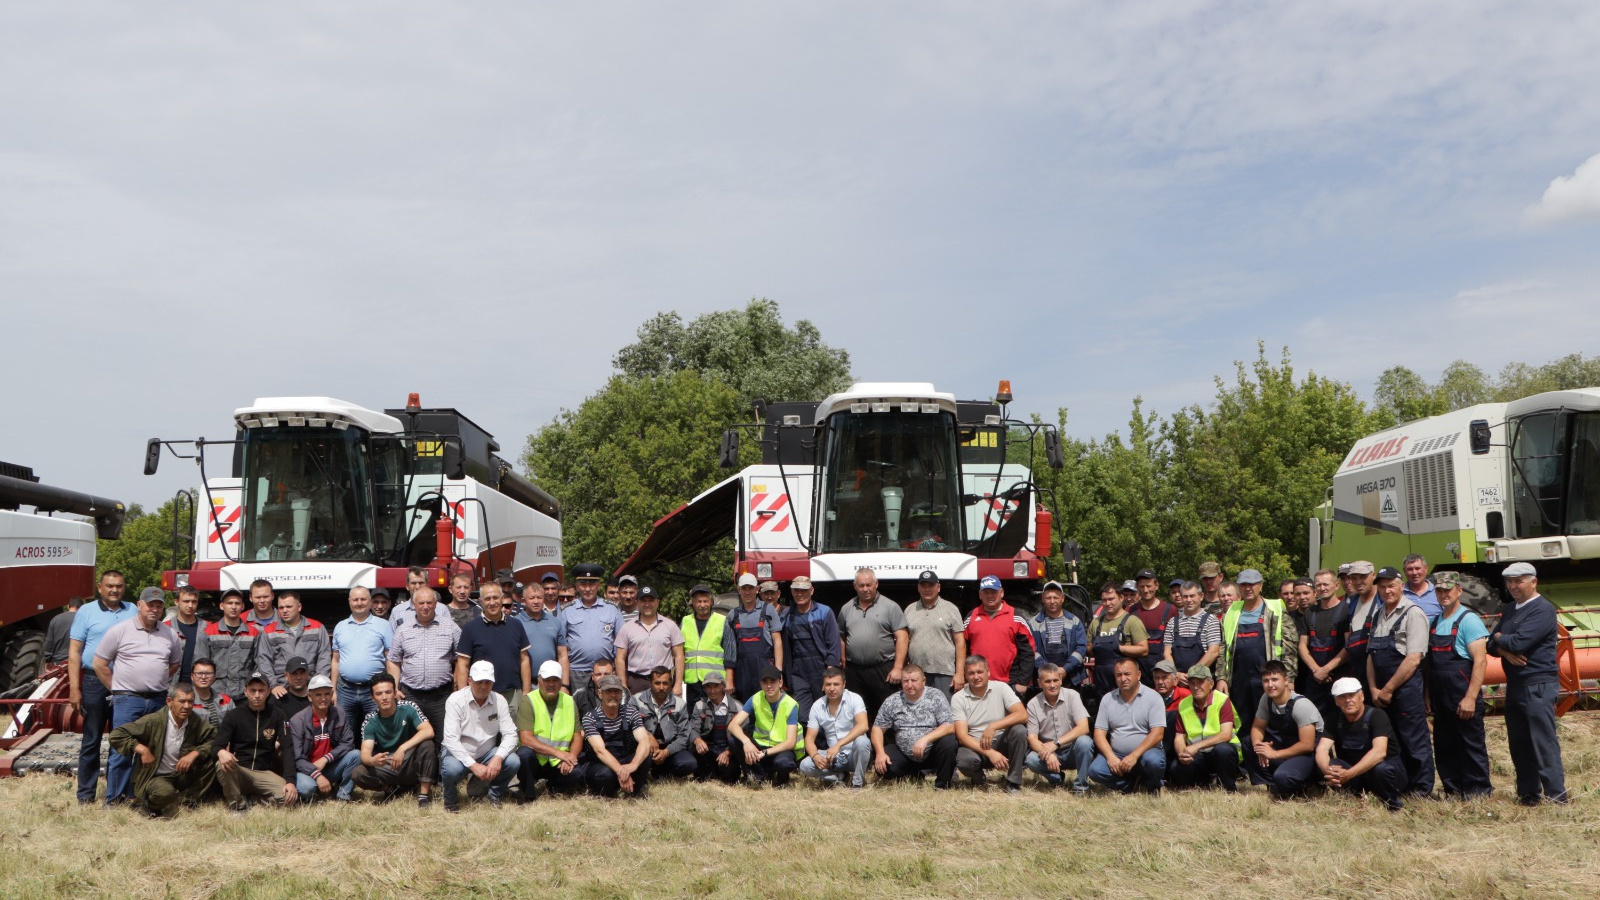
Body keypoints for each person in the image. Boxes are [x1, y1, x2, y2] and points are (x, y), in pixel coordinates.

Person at [1487, 562, 1567, 805]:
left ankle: (1556, 796)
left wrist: (1501, 639)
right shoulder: (1511, 609)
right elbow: (1490, 644)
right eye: (1509, 581)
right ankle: (1528, 794)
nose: (1513, 586)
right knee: (1519, 742)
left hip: (1538, 683)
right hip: (1516, 684)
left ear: (1534, 582)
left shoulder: (1542, 609)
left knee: (1543, 741)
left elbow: (1519, 643)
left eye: (1519, 581)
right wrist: (1502, 647)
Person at [93, 587, 182, 804]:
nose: (154, 609)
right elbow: (100, 663)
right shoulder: (120, 630)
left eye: (159, 605)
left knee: (150, 751)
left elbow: (174, 664)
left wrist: (155, 679)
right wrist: (117, 688)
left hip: (157, 699)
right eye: (150, 604)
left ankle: (137, 797)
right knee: (122, 749)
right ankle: (114, 800)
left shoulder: (169, 634)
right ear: (139, 605)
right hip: (128, 699)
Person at [1217, 572, 1296, 781]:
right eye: (1243, 585)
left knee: (1270, 725)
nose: (1248, 588)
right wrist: (1221, 677)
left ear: (1261, 585)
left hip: (1270, 679)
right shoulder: (1231, 611)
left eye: (1252, 584)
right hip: (1239, 679)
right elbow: (1222, 648)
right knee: (1242, 725)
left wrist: (1289, 678)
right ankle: (1247, 772)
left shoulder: (1275, 608)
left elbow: (1289, 646)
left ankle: (1272, 771)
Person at [1367, 566, 1434, 797]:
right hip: (1383, 693)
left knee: (1414, 740)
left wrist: (1387, 689)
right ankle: (1403, 785)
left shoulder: (1413, 613)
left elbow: (1414, 659)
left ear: (1401, 586)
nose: (1387, 590)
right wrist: (1374, 688)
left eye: (1391, 585)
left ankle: (1422, 789)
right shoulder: (1378, 615)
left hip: (1405, 691)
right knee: (1394, 741)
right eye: (1382, 586)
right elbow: (1370, 656)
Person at [70, 570, 135, 804]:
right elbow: (74, 652)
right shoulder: (86, 612)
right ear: (100, 587)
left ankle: (118, 793)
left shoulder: (133, 610)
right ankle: (86, 796)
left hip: (126, 682)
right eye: (109, 586)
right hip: (93, 682)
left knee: (123, 739)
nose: (114, 590)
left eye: (118, 585)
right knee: (92, 739)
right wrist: (74, 688)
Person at [1426, 571, 1492, 799]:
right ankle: (1453, 790)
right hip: (1441, 697)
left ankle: (1478, 793)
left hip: (1462, 695)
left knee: (1470, 746)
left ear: (1459, 591)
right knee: (1445, 746)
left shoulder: (1469, 620)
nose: (1444, 594)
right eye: (1440, 590)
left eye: (1448, 590)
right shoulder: (1435, 621)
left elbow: (1481, 661)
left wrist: (1470, 698)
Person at [107, 681, 217, 817]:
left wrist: (194, 753)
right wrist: (142, 749)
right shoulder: (153, 721)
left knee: (215, 758)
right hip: (157, 776)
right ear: (169, 701)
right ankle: (148, 805)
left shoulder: (195, 721)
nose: (187, 706)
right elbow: (116, 735)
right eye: (182, 701)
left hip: (182, 773)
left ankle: (188, 803)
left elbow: (214, 738)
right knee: (164, 793)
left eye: (190, 702)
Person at [440, 661, 521, 811]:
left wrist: (498, 758)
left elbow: (511, 734)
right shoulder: (455, 700)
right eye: (479, 682)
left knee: (513, 761)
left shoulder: (500, 700)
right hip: (458, 754)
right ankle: (450, 801)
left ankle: (493, 795)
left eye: (488, 682)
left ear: (493, 682)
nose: (483, 686)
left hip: (486, 753)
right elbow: (450, 739)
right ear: (470, 681)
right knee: (451, 768)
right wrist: (473, 765)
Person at [1316, 677, 1405, 811]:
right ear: (1336, 701)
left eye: (1352, 695)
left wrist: (1349, 774)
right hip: (1355, 773)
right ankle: (1351, 798)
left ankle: (1392, 804)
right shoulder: (1333, 719)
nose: (1348, 700)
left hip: (1386, 772)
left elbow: (1379, 752)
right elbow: (1322, 750)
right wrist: (1327, 771)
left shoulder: (1378, 716)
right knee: (1330, 763)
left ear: (1362, 696)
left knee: (1381, 769)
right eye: (1342, 697)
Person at [213, 673, 298, 811]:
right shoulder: (233, 715)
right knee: (221, 764)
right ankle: (238, 806)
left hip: (264, 772)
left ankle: (254, 799)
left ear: (268, 691)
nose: (257, 695)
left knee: (288, 799)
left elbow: (288, 747)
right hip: (239, 770)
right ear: (245, 691)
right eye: (253, 690)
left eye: (261, 690)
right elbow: (216, 745)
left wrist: (290, 781)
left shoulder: (278, 714)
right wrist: (220, 751)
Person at [387, 585, 461, 743]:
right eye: (421, 603)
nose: (425, 606)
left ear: (436, 604)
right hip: (411, 695)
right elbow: (393, 661)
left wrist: (458, 686)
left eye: (429, 602)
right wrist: (394, 687)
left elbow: (460, 659)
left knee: (445, 740)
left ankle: (442, 768)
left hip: (441, 697)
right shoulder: (403, 630)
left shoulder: (451, 628)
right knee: (411, 740)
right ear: (414, 605)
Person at [350, 673, 437, 806]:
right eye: (379, 694)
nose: (384, 697)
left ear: (395, 693)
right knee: (358, 773)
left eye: (388, 692)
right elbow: (365, 754)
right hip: (388, 765)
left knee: (427, 745)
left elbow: (428, 731)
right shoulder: (370, 720)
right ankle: (391, 790)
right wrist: (372, 760)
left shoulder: (409, 707)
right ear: (372, 698)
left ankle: (423, 796)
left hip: (409, 760)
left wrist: (402, 748)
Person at [870, 664, 958, 789]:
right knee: (884, 768)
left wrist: (925, 739)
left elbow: (949, 726)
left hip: (931, 752)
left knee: (949, 743)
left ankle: (942, 785)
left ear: (923, 681)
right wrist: (879, 753)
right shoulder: (892, 700)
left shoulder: (936, 696)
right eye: (906, 681)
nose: (909, 685)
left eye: (914, 681)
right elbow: (877, 728)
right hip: (904, 754)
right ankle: (913, 774)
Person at [951, 655, 1029, 792]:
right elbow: (962, 736)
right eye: (971, 673)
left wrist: (993, 726)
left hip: (1001, 741)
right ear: (966, 676)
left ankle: (1013, 782)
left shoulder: (1001, 687)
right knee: (963, 760)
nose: (976, 677)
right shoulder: (958, 698)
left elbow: (1022, 715)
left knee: (1019, 730)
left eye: (979, 672)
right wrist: (991, 753)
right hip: (976, 746)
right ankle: (977, 776)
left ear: (988, 672)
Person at [840, 568, 908, 721]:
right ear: (855, 586)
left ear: (876, 584)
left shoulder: (890, 606)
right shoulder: (846, 608)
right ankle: (864, 744)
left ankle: (887, 744)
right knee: (859, 713)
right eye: (861, 585)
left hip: (883, 670)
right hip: (855, 671)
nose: (865, 589)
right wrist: (843, 657)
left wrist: (898, 668)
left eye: (869, 585)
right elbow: (841, 636)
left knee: (887, 712)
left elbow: (902, 637)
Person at [1089, 658, 1165, 794]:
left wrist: (1135, 755)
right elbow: (1099, 734)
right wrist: (1110, 756)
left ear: (1138, 675)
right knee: (1095, 771)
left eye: (1127, 674)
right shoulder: (1108, 699)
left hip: (1145, 754)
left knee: (1153, 761)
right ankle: (1130, 786)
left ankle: (1152, 785)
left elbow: (1158, 733)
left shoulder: (1154, 697)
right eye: (1119, 675)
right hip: (1117, 754)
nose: (1123, 678)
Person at [1249, 660, 1322, 798]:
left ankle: (1310, 784)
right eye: (1266, 681)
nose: (1270, 685)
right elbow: (1258, 726)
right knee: (1249, 743)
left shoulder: (1301, 705)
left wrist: (1274, 754)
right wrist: (1259, 745)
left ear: (1286, 680)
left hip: (1309, 754)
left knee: (1284, 777)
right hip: (1287, 747)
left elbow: (1307, 745)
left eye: (1275, 679)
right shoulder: (1266, 699)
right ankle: (1271, 785)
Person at [515, 660, 585, 799]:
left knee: (577, 774)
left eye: (555, 680)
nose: (551, 684)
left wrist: (570, 757)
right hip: (536, 759)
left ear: (561, 682)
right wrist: (558, 753)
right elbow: (526, 738)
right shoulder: (528, 701)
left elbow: (577, 737)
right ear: (539, 680)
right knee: (523, 754)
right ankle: (528, 794)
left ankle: (554, 788)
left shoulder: (570, 701)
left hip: (558, 762)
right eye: (547, 680)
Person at [1023, 663, 1095, 791]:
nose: (1052, 685)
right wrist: (1048, 754)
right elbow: (1032, 738)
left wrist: (1057, 743)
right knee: (1031, 759)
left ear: (1061, 680)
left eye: (1056, 680)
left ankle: (1081, 786)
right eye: (1047, 681)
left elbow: (1084, 727)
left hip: (1072, 751)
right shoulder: (1033, 704)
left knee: (1085, 742)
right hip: (1050, 753)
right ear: (1039, 683)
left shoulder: (1072, 696)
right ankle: (1057, 778)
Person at [287, 674, 360, 802]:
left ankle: (343, 795)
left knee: (356, 755)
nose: (323, 698)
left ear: (332, 695)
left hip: (330, 765)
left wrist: (326, 758)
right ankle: (315, 792)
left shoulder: (339, 713)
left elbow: (348, 743)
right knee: (306, 788)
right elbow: (297, 758)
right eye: (318, 695)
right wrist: (317, 775)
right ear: (310, 697)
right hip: (307, 770)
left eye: (327, 694)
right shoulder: (297, 720)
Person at [455, 581, 530, 704]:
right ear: (481, 601)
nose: (492, 602)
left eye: (495, 597)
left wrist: (526, 691)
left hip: (512, 695)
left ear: (502, 599)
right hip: (481, 695)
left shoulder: (516, 625)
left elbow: (524, 659)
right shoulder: (470, 629)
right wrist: (463, 696)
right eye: (487, 599)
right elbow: (462, 664)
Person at [1169, 665, 1240, 792]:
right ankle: (1204, 783)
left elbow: (1226, 734)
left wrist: (1196, 746)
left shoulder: (1222, 700)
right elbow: (1179, 737)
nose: (1196, 687)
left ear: (1211, 683)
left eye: (1200, 682)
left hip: (1220, 751)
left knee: (1223, 751)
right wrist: (1182, 754)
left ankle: (1229, 787)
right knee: (1176, 768)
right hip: (1199, 756)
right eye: (1192, 683)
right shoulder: (1183, 704)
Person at [580, 673, 653, 798]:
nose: (613, 695)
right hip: (601, 763)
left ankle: (634, 790)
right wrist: (621, 771)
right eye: (608, 691)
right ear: (600, 693)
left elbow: (644, 741)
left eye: (616, 691)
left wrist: (633, 765)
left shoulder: (631, 712)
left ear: (621, 694)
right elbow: (600, 751)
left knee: (645, 755)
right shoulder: (590, 718)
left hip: (625, 760)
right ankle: (612, 789)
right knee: (605, 775)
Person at [963, 576, 1036, 698]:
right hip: (977, 683)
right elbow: (962, 650)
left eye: (993, 592)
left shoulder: (1016, 617)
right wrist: (964, 678)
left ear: (1001, 593)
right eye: (986, 592)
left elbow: (1028, 652)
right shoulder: (971, 617)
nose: (990, 596)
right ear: (980, 595)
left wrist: (1022, 682)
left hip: (1008, 684)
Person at [798, 666, 871, 789]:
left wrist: (838, 745)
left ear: (844, 684)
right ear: (823, 686)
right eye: (828, 685)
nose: (832, 688)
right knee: (805, 765)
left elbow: (863, 726)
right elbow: (809, 739)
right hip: (832, 757)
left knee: (862, 742)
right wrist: (815, 756)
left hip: (854, 754)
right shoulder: (817, 706)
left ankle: (857, 784)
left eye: (836, 684)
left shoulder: (854, 699)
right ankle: (839, 777)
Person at [728, 665, 800, 786]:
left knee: (784, 762)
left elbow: (791, 742)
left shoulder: (791, 704)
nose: (769, 686)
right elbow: (732, 725)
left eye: (773, 681)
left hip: (780, 749)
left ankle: (781, 779)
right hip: (759, 746)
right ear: (760, 684)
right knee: (733, 740)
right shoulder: (755, 698)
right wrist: (747, 742)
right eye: (765, 682)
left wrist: (765, 753)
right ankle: (757, 777)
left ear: (780, 682)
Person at [331, 586, 394, 728]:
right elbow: (335, 661)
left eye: (363, 599)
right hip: (345, 690)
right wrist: (333, 689)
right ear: (349, 602)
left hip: (374, 690)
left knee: (378, 729)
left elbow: (390, 659)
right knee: (344, 731)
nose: (359, 603)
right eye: (355, 599)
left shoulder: (383, 626)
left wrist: (393, 687)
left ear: (370, 601)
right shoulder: (340, 627)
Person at [783, 576, 844, 713]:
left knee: (825, 709)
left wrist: (831, 671)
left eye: (803, 590)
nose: (799, 594)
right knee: (802, 712)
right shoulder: (787, 615)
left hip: (820, 668)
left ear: (811, 590)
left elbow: (833, 642)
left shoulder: (824, 612)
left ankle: (823, 735)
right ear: (792, 592)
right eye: (796, 591)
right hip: (798, 671)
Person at [562, 563, 625, 694]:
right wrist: (564, 682)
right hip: (577, 672)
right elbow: (561, 647)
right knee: (578, 711)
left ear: (598, 585)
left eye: (591, 585)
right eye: (584, 585)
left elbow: (622, 644)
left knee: (606, 710)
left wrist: (619, 676)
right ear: (577, 586)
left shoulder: (612, 609)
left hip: (605, 672)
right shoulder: (567, 610)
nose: (588, 589)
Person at [1298, 569, 1351, 724]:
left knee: (1343, 723)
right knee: (1315, 723)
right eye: (1318, 585)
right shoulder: (1310, 612)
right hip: (1315, 681)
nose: (1322, 588)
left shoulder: (1347, 611)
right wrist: (1316, 670)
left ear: (1336, 586)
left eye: (1326, 584)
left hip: (1340, 677)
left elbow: (1349, 647)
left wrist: (1326, 669)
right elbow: (1302, 646)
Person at [615, 587, 685, 696]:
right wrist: (623, 685)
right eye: (643, 600)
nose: (647, 604)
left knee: (665, 712)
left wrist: (678, 684)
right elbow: (620, 658)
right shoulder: (627, 628)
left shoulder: (670, 626)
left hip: (663, 681)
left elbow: (679, 655)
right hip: (637, 682)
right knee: (636, 713)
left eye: (651, 600)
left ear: (657, 602)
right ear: (637, 602)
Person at [631, 665, 698, 779]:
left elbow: (684, 736)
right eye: (657, 683)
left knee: (688, 763)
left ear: (670, 684)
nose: (661, 687)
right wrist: (647, 736)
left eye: (665, 683)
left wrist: (666, 752)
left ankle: (662, 771)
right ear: (650, 683)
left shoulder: (680, 704)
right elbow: (630, 726)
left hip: (669, 748)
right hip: (644, 746)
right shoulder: (636, 700)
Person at [195, 590, 262, 702]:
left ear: (243, 606)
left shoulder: (254, 633)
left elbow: (259, 664)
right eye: (229, 603)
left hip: (245, 695)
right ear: (222, 606)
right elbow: (200, 666)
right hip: (216, 694)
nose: (233, 607)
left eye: (237, 603)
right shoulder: (208, 633)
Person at [260, 590, 331, 695]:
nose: (284, 610)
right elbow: (264, 660)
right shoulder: (269, 631)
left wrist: (317, 684)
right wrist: (273, 685)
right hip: (281, 690)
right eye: (281, 607)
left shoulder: (317, 628)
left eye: (288, 607)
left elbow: (324, 657)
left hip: (310, 689)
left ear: (299, 607)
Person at [1086, 582, 1149, 698]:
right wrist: (1095, 647)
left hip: (1125, 681)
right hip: (1101, 680)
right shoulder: (1096, 623)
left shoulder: (1132, 621)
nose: (1107, 603)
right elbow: (1088, 648)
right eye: (1104, 600)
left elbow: (1144, 650)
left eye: (1111, 599)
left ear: (1121, 598)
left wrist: (1118, 647)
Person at [730, 572, 786, 702]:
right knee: (745, 705)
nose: (747, 592)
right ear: (739, 590)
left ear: (757, 590)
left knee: (767, 703)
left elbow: (777, 641)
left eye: (751, 588)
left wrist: (778, 670)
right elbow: (730, 649)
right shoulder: (733, 615)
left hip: (765, 667)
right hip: (742, 670)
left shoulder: (768, 610)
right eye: (744, 588)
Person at [681, 584, 737, 709]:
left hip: (715, 682)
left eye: (705, 601)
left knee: (716, 717)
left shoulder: (722, 621)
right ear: (693, 603)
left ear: (711, 602)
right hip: (693, 681)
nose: (702, 605)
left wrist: (729, 680)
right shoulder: (685, 621)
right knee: (694, 717)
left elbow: (730, 652)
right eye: (698, 601)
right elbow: (680, 653)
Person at [1029, 581, 1087, 693]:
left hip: (1070, 678)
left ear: (1062, 598)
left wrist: (1066, 669)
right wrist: (1048, 672)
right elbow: (1031, 650)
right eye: (1048, 598)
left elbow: (1081, 648)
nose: (1052, 601)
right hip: (1044, 680)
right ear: (1042, 598)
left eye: (1055, 597)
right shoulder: (1034, 623)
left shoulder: (1074, 621)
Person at [689, 671, 743, 784]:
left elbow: (744, 735)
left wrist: (728, 752)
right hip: (708, 749)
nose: (712, 691)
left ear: (723, 686)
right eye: (708, 687)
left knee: (730, 775)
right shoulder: (699, 705)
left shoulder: (737, 706)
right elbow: (693, 728)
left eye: (716, 686)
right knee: (700, 775)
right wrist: (697, 740)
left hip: (728, 749)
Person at [1164, 581, 1220, 681]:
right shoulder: (1173, 622)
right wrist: (1176, 674)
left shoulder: (1211, 620)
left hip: (1202, 681)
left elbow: (1213, 652)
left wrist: (1193, 675)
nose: (1189, 600)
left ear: (1201, 596)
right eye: (1185, 596)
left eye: (1192, 596)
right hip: (1178, 681)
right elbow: (1167, 652)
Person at [1129, 568, 1177, 686]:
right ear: (1137, 587)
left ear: (1156, 585)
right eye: (1142, 586)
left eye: (1149, 586)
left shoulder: (1170, 610)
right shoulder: (1130, 611)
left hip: (1163, 672)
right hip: (1139, 671)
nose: (1146, 590)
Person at [516, 582, 569, 687]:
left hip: (552, 683)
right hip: (525, 684)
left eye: (539, 598)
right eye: (531, 598)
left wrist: (564, 685)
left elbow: (562, 655)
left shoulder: (555, 622)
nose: (536, 601)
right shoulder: (515, 623)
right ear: (523, 601)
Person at [1342, 561, 1381, 694]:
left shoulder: (1383, 600)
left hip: (1379, 671)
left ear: (1374, 575)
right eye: (1354, 578)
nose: (1358, 582)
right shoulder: (1352, 603)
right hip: (1357, 669)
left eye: (1363, 577)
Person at [162, 587, 202, 682]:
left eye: (194, 602)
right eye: (186, 601)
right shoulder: (164, 628)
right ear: (176, 602)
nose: (190, 605)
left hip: (198, 686)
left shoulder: (207, 628)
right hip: (171, 685)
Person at [188, 657, 234, 727]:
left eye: (208, 673)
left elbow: (236, 725)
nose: (203, 677)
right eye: (199, 673)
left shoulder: (226, 701)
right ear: (192, 676)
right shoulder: (186, 701)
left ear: (214, 676)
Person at [270, 657, 313, 721]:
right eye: (294, 673)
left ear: (307, 674)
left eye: (302, 673)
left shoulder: (316, 698)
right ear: (286, 676)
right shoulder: (279, 700)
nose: (298, 677)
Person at [1402, 554, 1442, 623]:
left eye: (1417, 568)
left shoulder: (1439, 592)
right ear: (1404, 571)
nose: (1414, 573)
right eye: (1410, 569)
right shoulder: (1399, 594)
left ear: (1426, 569)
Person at [45, 596, 83, 667]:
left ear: (68, 606)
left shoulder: (55, 619)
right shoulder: (83, 619)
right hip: (78, 661)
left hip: (59, 662)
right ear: (81, 607)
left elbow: (49, 643)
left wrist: (47, 660)